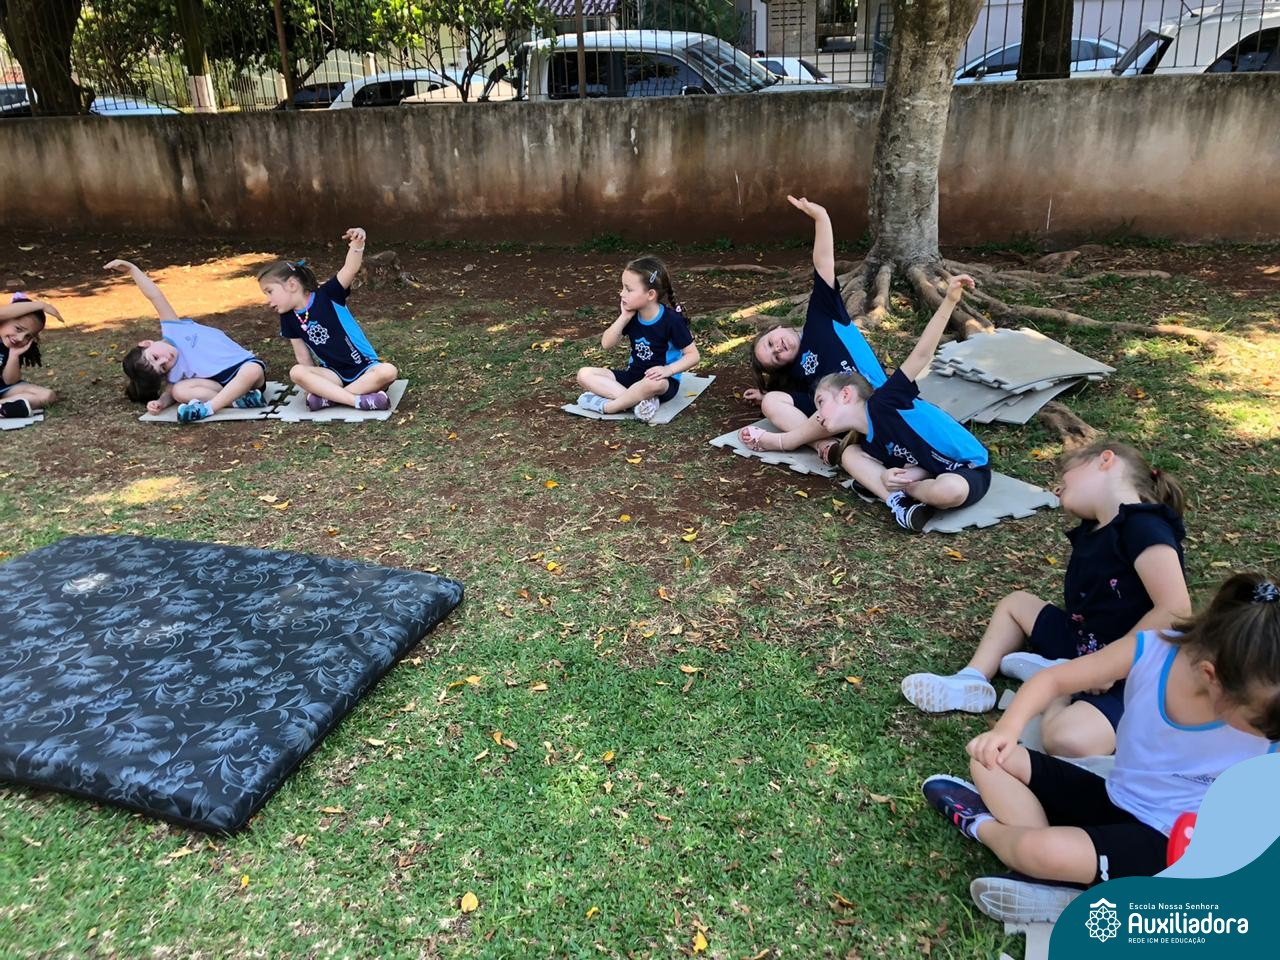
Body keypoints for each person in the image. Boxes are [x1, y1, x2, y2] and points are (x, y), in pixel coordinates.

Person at [921, 573, 1279, 914]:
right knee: (990, 759)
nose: (1270, 732)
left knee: (1037, 849)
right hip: (1115, 795)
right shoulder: (1153, 650)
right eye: (1261, 723)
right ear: (1212, 677)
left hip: (1170, 843)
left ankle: (983, 827)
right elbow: (1053, 680)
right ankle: (1058, 877)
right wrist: (1006, 731)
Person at [901, 441, 1190, 757]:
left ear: (1105, 460)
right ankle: (971, 678)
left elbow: (1174, 610)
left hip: (1134, 670)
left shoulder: (1143, 525)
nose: (1057, 489)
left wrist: (1107, 668)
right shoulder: (1094, 530)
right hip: (1085, 645)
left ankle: (1056, 686)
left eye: (1064, 478)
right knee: (1016, 605)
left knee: (1067, 740)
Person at [809, 274, 991, 531]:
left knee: (949, 490)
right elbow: (910, 463)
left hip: (968, 468)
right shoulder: (869, 443)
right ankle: (901, 501)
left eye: (821, 402)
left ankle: (905, 492)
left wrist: (949, 300)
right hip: (928, 472)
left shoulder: (886, 401)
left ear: (846, 395)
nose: (817, 415)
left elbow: (922, 355)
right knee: (848, 453)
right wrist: (892, 476)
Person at [739, 195, 885, 463]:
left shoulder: (822, 316)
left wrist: (821, 218)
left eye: (771, 342)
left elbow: (823, 264)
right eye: (775, 358)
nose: (778, 349)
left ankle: (790, 442)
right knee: (771, 403)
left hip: (871, 401)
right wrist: (765, 395)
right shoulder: (797, 374)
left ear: (777, 327)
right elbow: (791, 401)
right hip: (832, 419)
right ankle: (825, 445)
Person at [257, 228, 398, 411]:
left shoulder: (328, 294)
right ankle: (356, 400)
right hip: (332, 375)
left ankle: (330, 398)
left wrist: (357, 244)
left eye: (270, 292)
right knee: (297, 372)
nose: (268, 300)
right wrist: (312, 384)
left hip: (364, 369)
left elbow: (350, 268)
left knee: (388, 371)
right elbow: (303, 357)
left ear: (292, 284)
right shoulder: (288, 317)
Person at [112, 260, 267, 421]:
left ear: (146, 343)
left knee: (252, 370)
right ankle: (237, 401)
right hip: (218, 386)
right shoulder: (175, 372)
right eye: (163, 368)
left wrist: (132, 270)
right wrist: (160, 403)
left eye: (155, 357)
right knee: (178, 391)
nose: (165, 360)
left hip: (244, 370)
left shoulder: (173, 328)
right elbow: (170, 393)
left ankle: (208, 409)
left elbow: (155, 296)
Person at [576, 256, 700, 423]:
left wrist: (668, 370)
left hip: (661, 382)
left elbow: (693, 356)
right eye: (623, 288)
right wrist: (624, 317)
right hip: (633, 377)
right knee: (584, 374)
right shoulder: (632, 315)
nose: (622, 293)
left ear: (650, 294)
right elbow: (606, 344)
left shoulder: (672, 321)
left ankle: (610, 407)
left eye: (628, 289)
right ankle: (639, 403)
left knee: (653, 384)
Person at [0, 292, 61, 418]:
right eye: (18, 329)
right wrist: (41, 305)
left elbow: (9, 381)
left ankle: (2, 408)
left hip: (2, 389)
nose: (20, 338)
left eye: (28, 336)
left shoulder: (11, 346)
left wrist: (14, 355)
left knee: (47, 396)